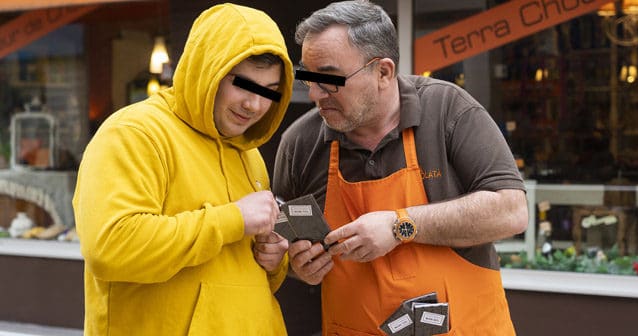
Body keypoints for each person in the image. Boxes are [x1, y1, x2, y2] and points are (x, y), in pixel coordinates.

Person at [272, 1, 529, 335]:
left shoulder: (449, 111)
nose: (315, 95)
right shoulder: (300, 144)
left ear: (383, 72)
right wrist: (297, 265)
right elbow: (280, 244)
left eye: (330, 80)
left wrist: (400, 226)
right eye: (308, 77)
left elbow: (511, 210)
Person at [73, 4, 293, 335]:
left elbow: (240, 271)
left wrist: (274, 260)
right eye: (244, 85)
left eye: (270, 92)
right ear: (208, 71)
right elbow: (110, 248)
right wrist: (232, 219)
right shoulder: (134, 132)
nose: (255, 105)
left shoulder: (249, 153)